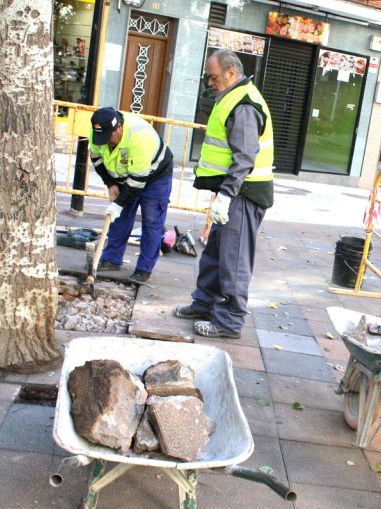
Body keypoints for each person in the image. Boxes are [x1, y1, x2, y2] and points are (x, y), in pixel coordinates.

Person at [173, 49, 274, 339]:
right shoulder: (233, 97)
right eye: (208, 77)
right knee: (215, 254)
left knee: (234, 261)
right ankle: (204, 304)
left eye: (213, 76)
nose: (210, 82)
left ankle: (229, 322)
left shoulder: (243, 104)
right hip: (234, 193)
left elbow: (245, 157)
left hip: (244, 195)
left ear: (231, 73)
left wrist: (227, 195)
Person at [89, 107, 174, 285]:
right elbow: (97, 159)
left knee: (151, 221)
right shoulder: (98, 131)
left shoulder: (138, 138)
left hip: (155, 176)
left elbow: (137, 182)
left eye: (108, 138)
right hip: (124, 175)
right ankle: (112, 258)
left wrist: (118, 203)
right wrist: (111, 184)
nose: (106, 143)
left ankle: (144, 269)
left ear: (118, 128)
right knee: (120, 218)